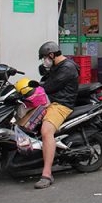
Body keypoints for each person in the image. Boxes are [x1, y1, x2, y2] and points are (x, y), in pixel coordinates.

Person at [35, 41, 80, 189]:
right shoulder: (56, 66)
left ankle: (47, 174)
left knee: (46, 132)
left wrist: (34, 86)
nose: (44, 61)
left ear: (51, 55)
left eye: (45, 58)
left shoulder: (67, 68)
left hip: (61, 104)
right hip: (50, 101)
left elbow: (49, 86)